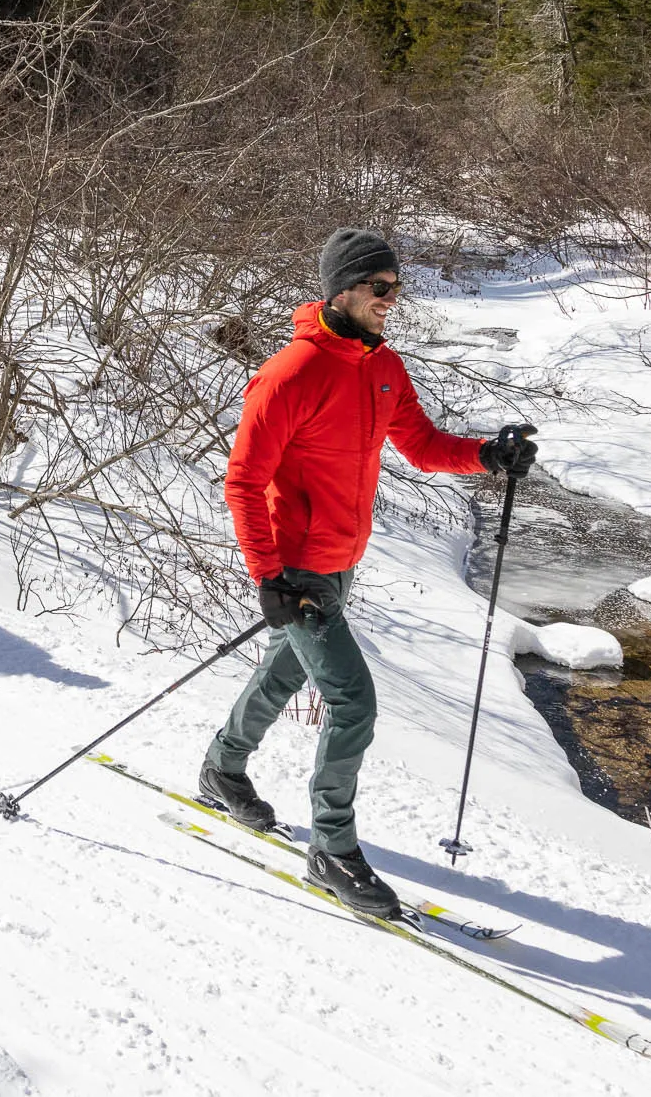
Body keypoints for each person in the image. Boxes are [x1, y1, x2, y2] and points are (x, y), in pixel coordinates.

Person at [198, 227, 539, 916]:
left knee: (284, 671)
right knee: (353, 700)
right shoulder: (289, 373)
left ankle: (221, 768)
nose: (392, 300)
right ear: (344, 290)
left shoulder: (382, 367)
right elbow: (242, 482)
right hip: (300, 570)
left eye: (396, 288)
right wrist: (271, 578)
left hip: (343, 559)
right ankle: (331, 847)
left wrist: (486, 456)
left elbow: (420, 443)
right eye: (381, 288)